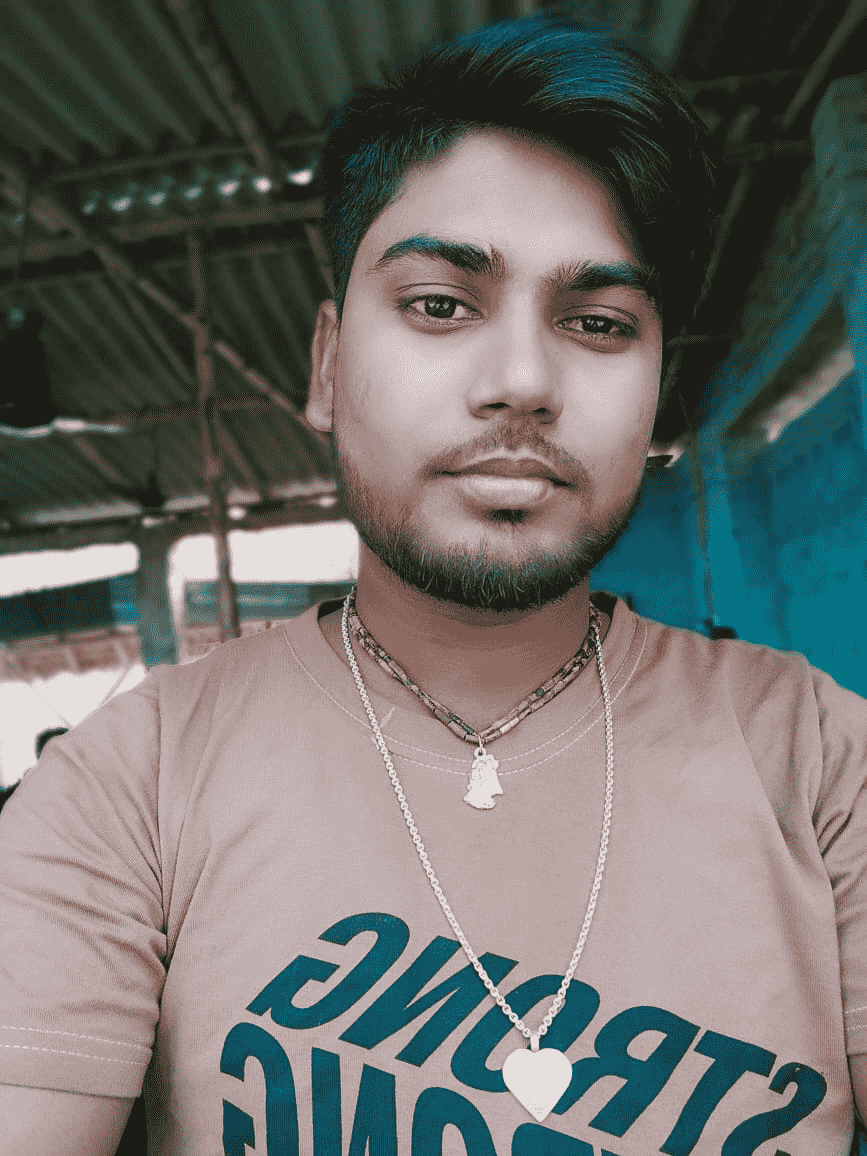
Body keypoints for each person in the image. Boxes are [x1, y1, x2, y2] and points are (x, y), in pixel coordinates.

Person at [1, 16, 865, 1155]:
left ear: (657, 398)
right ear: (327, 366)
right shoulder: (130, 784)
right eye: (440, 305)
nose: (523, 380)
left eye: (598, 323)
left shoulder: (822, 762)